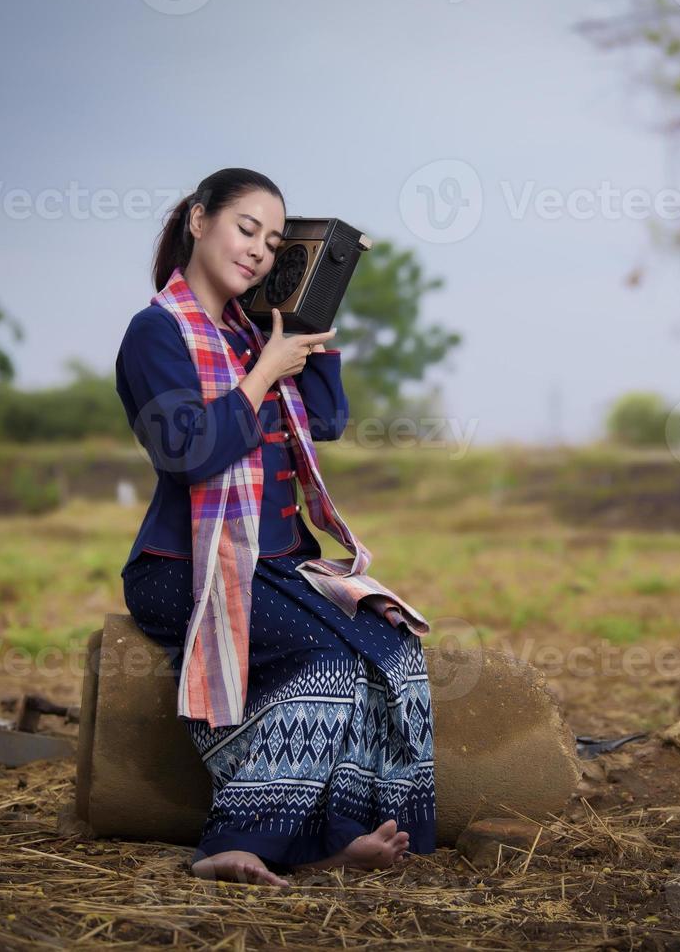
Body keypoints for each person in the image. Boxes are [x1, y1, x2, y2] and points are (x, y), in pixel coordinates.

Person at [114, 168, 435, 887]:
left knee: (393, 651)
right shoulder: (157, 332)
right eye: (245, 228)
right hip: (183, 565)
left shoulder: (254, 331)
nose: (258, 250)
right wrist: (261, 374)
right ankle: (235, 841)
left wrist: (310, 319)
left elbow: (323, 421)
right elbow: (186, 451)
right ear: (199, 222)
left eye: (276, 243)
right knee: (326, 664)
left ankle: (343, 834)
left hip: (275, 563)